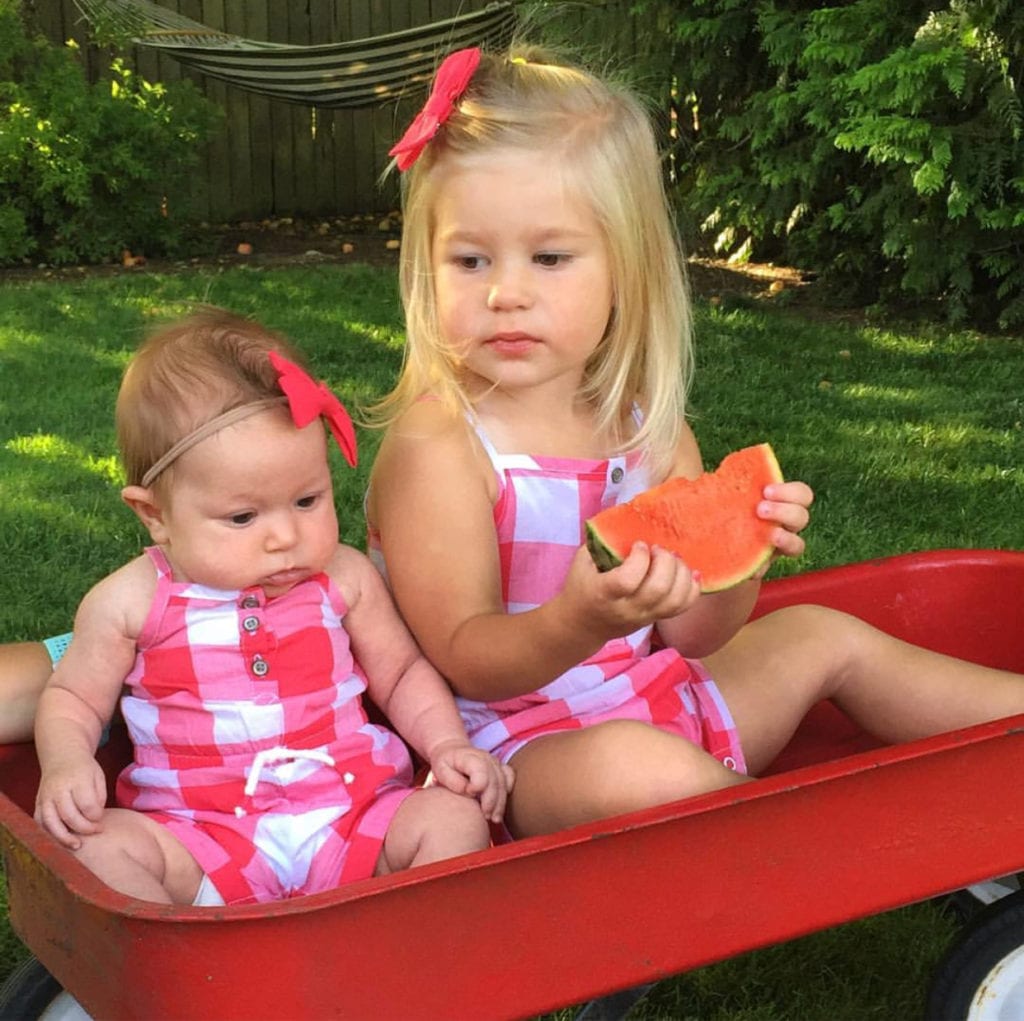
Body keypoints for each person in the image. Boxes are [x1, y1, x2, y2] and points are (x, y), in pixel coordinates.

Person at [365, 43, 1024, 841]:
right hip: (515, 755)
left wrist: (744, 557)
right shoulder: (440, 442)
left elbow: (697, 632)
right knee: (643, 769)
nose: (506, 292)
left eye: (549, 257)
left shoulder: (645, 422)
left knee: (826, 634)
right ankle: (816, 852)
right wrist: (578, 619)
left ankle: (1009, 739)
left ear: (625, 270)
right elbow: (466, 654)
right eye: (469, 260)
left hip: (665, 691)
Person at [32, 307, 513, 906]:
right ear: (154, 515)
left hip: (352, 814)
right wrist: (67, 763)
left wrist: (447, 746)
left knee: (452, 819)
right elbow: (74, 696)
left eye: (308, 500)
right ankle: (188, 975)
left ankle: (405, 963)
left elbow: (402, 672)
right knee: (98, 849)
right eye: (243, 517)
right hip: (200, 835)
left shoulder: (343, 576)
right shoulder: (130, 602)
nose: (285, 536)